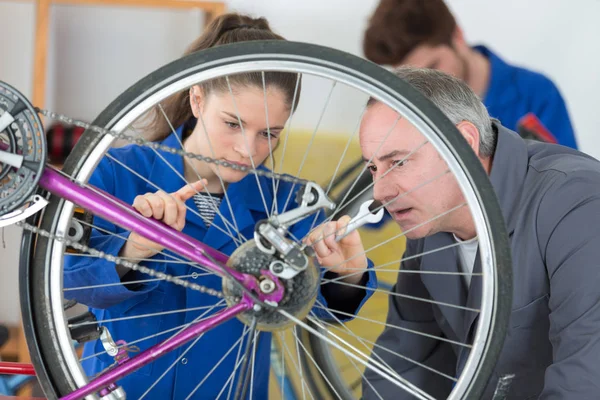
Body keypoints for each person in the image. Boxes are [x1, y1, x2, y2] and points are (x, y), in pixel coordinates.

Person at [63, 13, 376, 399]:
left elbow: (316, 311)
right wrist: (133, 251)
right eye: (232, 124)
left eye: (268, 134)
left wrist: (348, 277)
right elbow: (65, 279)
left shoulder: (288, 203)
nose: (249, 149)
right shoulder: (115, 173)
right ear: (197, 99)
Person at [308, 66, 600, 399]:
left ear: (461, 143)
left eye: (398, 162)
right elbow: (403, 368)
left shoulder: (579, 203)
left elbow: (586, 381)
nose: (380, 191)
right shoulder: (433, 224)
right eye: (374, 167)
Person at [363, 0, 578, 149]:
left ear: (457, 35)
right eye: (411, 78)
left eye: (433, 65)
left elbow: (568, 188)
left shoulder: (537, 95)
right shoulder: (407, 110)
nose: (424, 85)